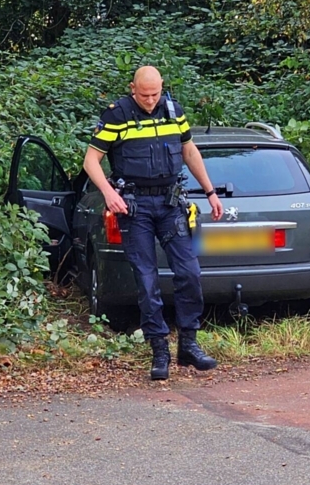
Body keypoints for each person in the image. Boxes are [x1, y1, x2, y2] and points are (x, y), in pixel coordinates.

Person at [83, 66, 224, 380]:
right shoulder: (117, 116)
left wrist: (211, 192)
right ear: (133, 88)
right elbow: (91, 160)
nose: (150, 100)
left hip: (170, 203)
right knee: (147, 283)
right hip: (136, 208)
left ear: (162, 88)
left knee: (190, 273)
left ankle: (188, 345)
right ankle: (159, 351)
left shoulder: (173, 111)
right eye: (144, 94)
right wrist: (108, 194)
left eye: (155, 94)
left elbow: (189, 150)